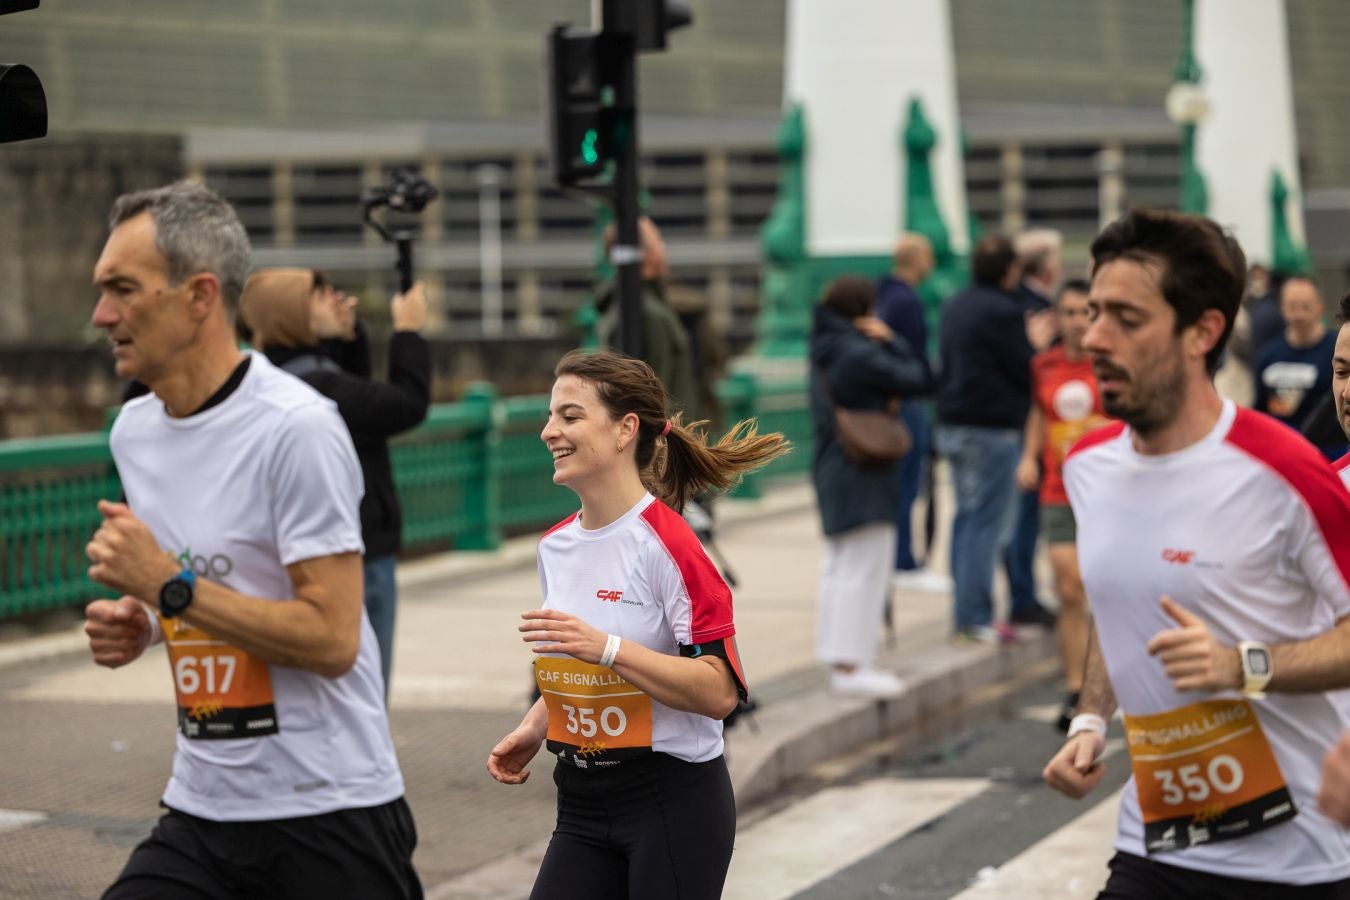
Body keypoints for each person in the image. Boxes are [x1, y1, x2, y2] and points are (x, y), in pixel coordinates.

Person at [83, 181, 420, 899]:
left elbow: (332, 640)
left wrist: (166, 588)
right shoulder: (134, 431)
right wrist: (141, 620)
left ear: (200, 296)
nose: (101, 315)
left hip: (329, 810)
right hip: (203, 808)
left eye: (123, 290)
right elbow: (206, 584)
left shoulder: (296, 428)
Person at [1042, 207, 1350, 897]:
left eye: (1127, 318)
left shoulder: (1289, 472)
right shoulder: (1090, 466)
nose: (1094, 337)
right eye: (1093, 312)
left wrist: (1239, 667)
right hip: (1157, 845)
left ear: (1202, 331)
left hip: (1298, 861)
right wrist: (1091, 718)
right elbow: (1121, 600)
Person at [486, 348, 788, 900]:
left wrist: (607, 647)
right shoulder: (556, 546)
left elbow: (721, 690)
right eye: (551, 416)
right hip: (580, 798)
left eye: (570, 416)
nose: (549, 431)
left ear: (626, 429)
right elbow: (577, 659)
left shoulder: (671, 546)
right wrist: (536, 726)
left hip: (669, 802)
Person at [239, 268, 431, 701]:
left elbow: (357, 388)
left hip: (299, 548)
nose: (337, 300)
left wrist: (351, 333)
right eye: (321, 295)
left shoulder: (275, 379)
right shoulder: (315, 387)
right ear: (290, 315)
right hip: (353, 552)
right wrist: (407, 331)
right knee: (363, 690)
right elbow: (404, 405)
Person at [810, 276, 931, 695]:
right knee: (864, 567)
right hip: (862, 472)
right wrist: (893, 340)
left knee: (842, 565)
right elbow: (919, 377)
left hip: (833, 466)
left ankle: (839, 658)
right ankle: (851, 665)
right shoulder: (857, 352)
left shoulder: (824, 347)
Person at [936, 234, 1057, 644]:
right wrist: (1036, 345)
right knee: (988, 523)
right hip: (990, 428)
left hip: (952, 423)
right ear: (1010, 271)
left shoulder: (955, 303)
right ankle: (975, 616)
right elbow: (1026, 368)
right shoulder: (1005, 311)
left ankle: (964, 612)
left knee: (966, 519)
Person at [1014, 278, 1109, 732]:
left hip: (1105, 492)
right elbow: (1039, 411)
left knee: (1107, 590)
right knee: (1069, 588)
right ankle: (1075, 689)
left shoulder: (1110, 362)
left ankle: (1109, 684)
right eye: (1068, 312)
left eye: (1083, 312)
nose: (1075, 321)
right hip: (1058, 488)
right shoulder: (1044, 365)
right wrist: (1029, 456)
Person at [874, 232, 949, 595]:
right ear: (915, 259)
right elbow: (910, 354)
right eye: (928, 256)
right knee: (907, 482)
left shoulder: (884, 296)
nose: (931, 263)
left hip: (894, 400)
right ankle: (904, 559)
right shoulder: (906, 300)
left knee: (901, 483)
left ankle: (899, 556)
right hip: (907, 401)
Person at [1004, 228, 1065, 628]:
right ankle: (1022, 595)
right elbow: (1029, 370)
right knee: (1022, 518)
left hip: (1031, 425)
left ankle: (1026, 590)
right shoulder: (1032, 309)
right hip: (1028, 426)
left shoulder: (1026, 303)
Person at [597, 216, 697, 421]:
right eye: (658, 240)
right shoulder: (647, 313)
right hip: (668, 445)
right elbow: (652, 400)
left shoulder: (634, 307)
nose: (664, 249)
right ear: (646, 256)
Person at [1254, 275, 1345, 460]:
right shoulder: (1267, 354)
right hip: (1281, 451)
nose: (1299, 314)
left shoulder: (1338, 351)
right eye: (1292, 307)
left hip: (1328, 453)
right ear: (1282, 308)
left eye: (1305, 307)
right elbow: (1260, 408)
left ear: (1320, 307)